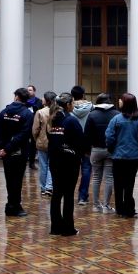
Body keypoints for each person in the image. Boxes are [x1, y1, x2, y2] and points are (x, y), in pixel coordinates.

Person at [48, 93, 85, 236]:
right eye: (73, 103)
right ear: (68, 104)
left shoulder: (52, 118)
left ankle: (55, 227)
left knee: (56, 194)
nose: (74, 105)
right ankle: (68, 228)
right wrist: (80, 155)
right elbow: (80, 140)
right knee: (68, 195)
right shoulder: (71, 120)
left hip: (55, 161)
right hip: (69, 163)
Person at [0, 87, 34, 217]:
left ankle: (11, 205)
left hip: (6, 152)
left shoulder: (4, 112)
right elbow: (23, 134)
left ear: (16, 97)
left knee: (9, 179)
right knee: (17, 180)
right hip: (18, 152)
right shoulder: (27, 114)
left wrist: (1, 148)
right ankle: (14, 206)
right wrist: (7, 148)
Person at [105, 93, 138, 218]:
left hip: (118, 157)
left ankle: (120, 209)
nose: (119, 101)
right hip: (133, 157)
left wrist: (112, 149)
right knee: (129, 184)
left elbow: (109, 136)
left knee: (118, 184)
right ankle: (129, 209)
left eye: (121, 100)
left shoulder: (116, 119)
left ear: (125, 103)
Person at [85, 93, 118, 213]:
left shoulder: (92, 115)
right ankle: (106, 206)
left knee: (96, 177)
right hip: (111, 150)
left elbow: (87, 135)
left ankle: (96, 205)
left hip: (96, 149)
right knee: (109, 178)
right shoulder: (116, 114)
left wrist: (87, 150)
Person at [70, 86, 94, 205]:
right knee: (86, 169)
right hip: (87, 143)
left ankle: (69, 193)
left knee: (72, 169)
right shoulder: (91, 107)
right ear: (83, 94)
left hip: (72, 142)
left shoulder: (69, 107)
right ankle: (82, 196)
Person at [31, 91, 56, 196]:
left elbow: (35, 129)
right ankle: (49, 187)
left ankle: (43, 187)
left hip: (42, 142)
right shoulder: (57, 111)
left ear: (46, 100)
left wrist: (37, 139)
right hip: (54, 142)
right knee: (52, 165)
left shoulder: (40, 112)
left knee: (43, 166)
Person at [25, 85, 41, 171]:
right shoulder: (24, 100)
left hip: (34, 124)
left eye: (30, 90)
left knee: (33, 145)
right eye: (27, 90)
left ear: (34, 91)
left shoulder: (38, 101)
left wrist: (31, 104)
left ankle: (32, 163)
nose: (29, 92)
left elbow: (37, 109)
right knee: (24, 143)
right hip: (25, 125)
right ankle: (23, 162)